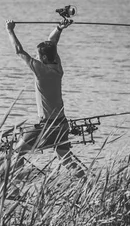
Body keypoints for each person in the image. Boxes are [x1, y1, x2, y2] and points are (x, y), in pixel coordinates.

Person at [5, 18, 85, 177]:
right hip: (62, 124)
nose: (35, 57)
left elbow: (19, 50)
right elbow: (52, 41)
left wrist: (10, 30)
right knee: (66, 159)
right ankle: (85, 182)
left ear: (44, 59)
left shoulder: (40, 71)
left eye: (37, 55)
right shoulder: (58, 67)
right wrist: (59, 28)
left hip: (47, 126)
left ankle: (15, 186)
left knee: (16, 152)